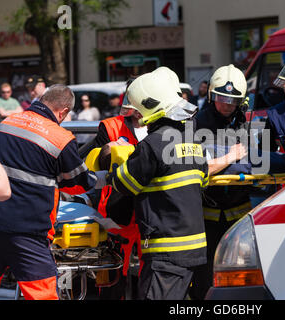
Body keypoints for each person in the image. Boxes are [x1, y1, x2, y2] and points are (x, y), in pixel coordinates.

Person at [107, 66, 209, 300]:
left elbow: (124, 184)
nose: (136, 116)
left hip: (166, 253)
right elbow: (202, 182)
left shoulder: (152, 145)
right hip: (195, 249)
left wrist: (113, 165)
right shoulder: (193, 142)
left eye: (138, 110)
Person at [0, 84, 98, 300]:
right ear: (64, 112)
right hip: (28, 234)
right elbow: (80, 183)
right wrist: (101, 178)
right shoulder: (60, 138)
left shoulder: (6, 123)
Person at [190, 64, 252, 300]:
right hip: (206, 215)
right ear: (211, 96)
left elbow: (255, 159)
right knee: (205, 275)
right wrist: (231, 157)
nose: (227, 104)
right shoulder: (196, 124)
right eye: (221, 98)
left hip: (239, 213)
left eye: (233, 100)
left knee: (239, 273)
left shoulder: (244, 122)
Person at [83, 80, 148, 300]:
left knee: (149, 278)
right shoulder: (110, 126)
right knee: (111, 281)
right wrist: (106, 151)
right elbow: (89, 164)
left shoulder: (164, 126)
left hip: (151, 213)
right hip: (115, 215)